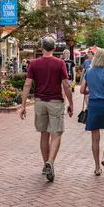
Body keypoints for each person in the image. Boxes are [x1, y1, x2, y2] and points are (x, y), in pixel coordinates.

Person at [20, 37, 74, 182]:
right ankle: (50, 161)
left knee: (44, 134)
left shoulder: (34, 63)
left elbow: (27, 85)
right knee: (56, 133)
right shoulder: (60, 63)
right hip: (55, 102)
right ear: (54, 49)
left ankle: (45, 164)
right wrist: (71, 103)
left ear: (42, 48)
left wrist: (23, 105)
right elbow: (66, 85)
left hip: (39, 102)